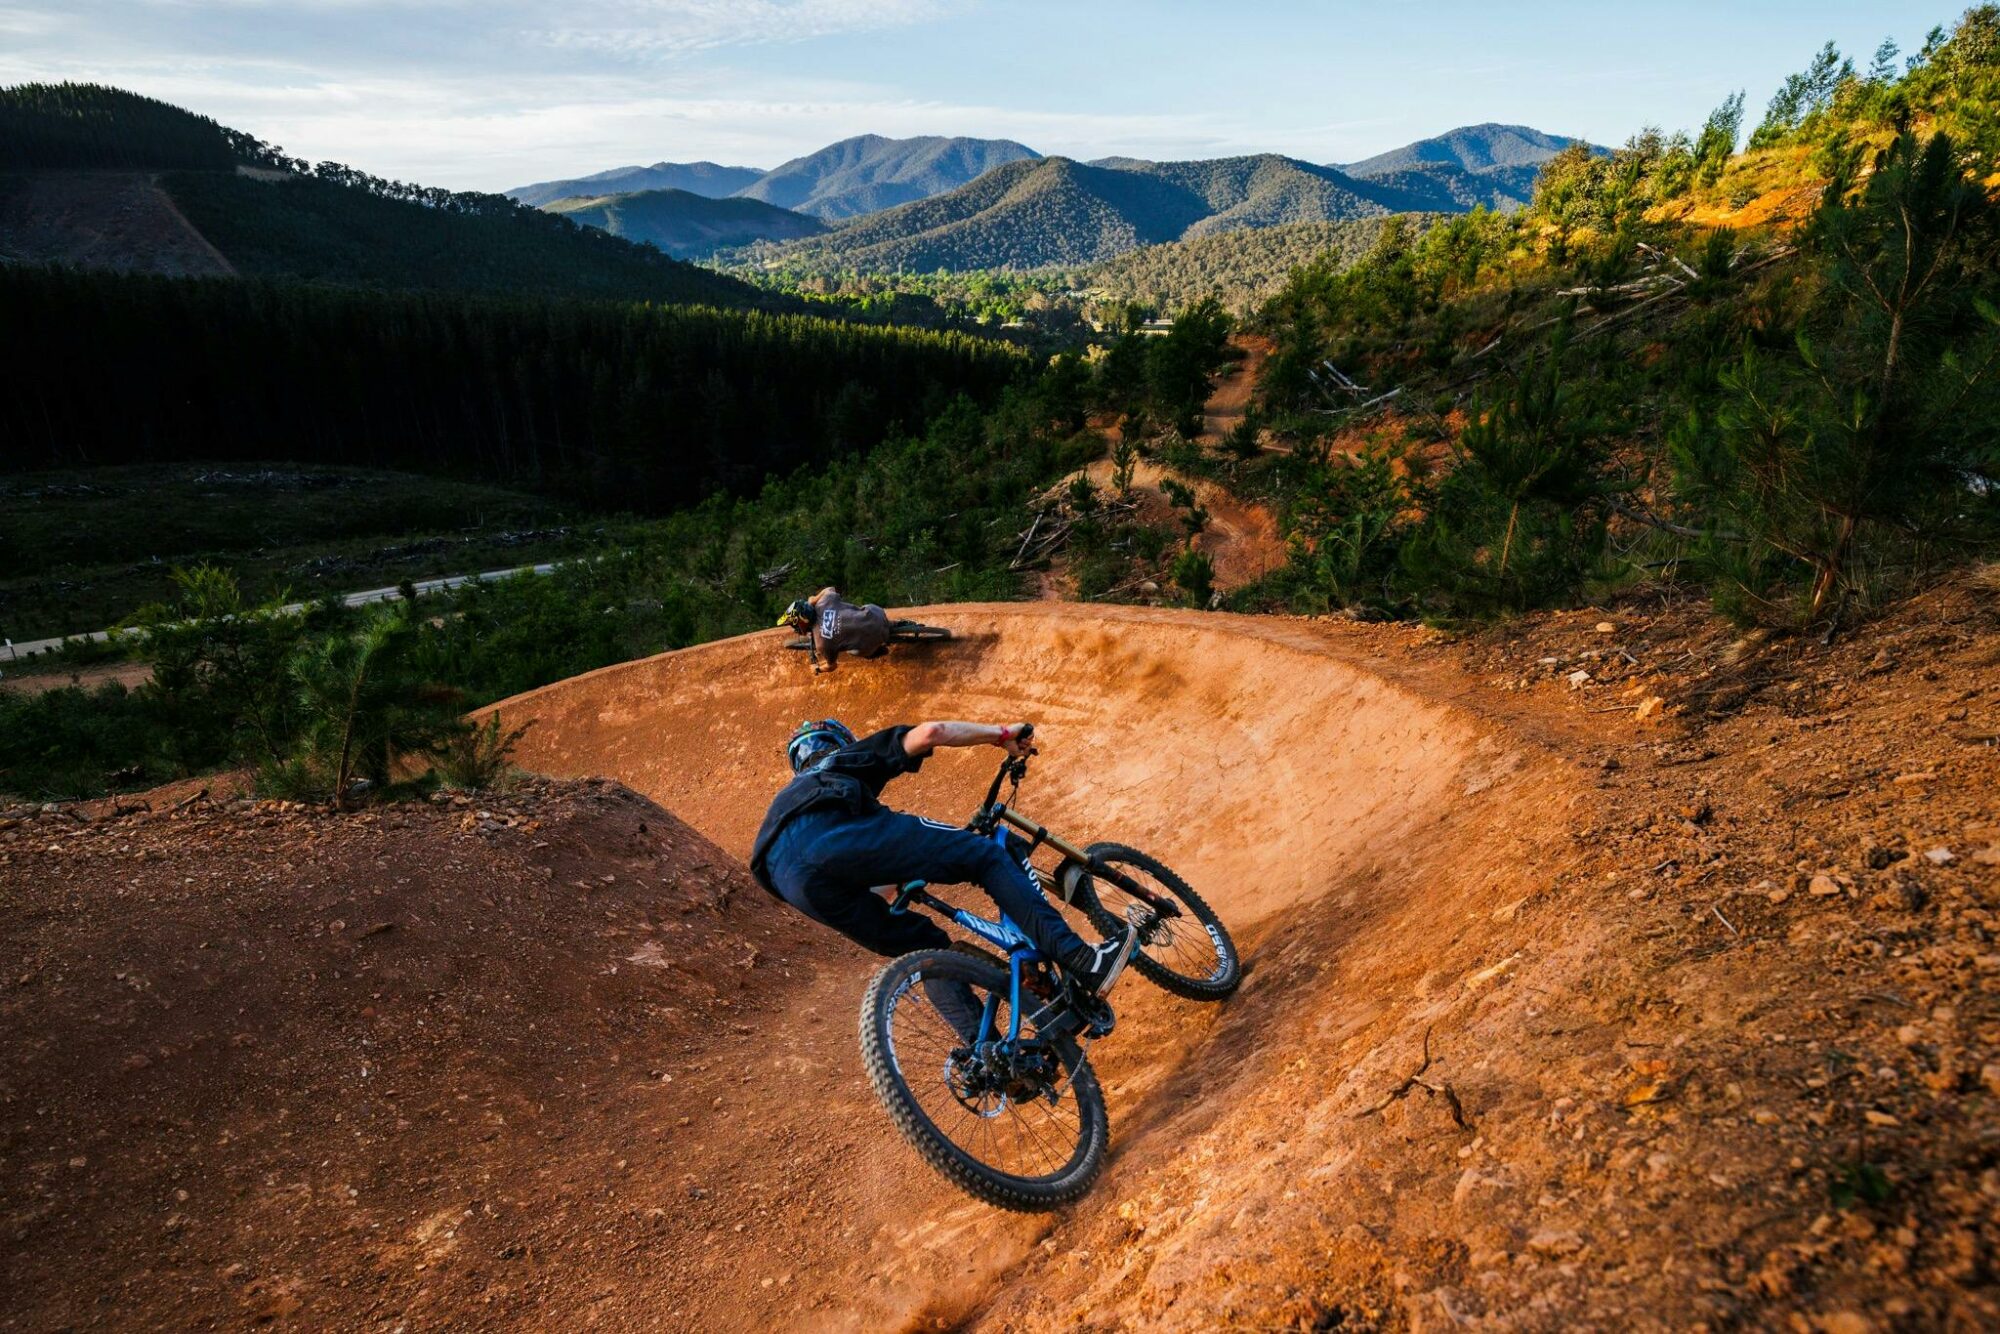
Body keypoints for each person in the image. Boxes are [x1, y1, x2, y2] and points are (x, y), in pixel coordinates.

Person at [749, 718, 1138, 1032]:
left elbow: (880, 888)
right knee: (984, 856)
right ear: (839, 741)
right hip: (829, 838)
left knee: (923, 948)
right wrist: (1001, 735)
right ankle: (1084, 960)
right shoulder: (841, 762)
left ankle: (987, 1058)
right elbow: (931, 733)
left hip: (785, 880)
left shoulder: (782, 805)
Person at [777, 587, 890, 674]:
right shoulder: (825, 602)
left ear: (803, 621)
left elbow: (832, 666)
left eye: (794, 624)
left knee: (852, 652)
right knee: (863, 607)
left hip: (877, 639)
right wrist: (814, 599)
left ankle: (881, 650)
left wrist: (818, 668)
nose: (794, 628)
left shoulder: (822, 644)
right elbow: (830, 589)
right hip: (877, 613)